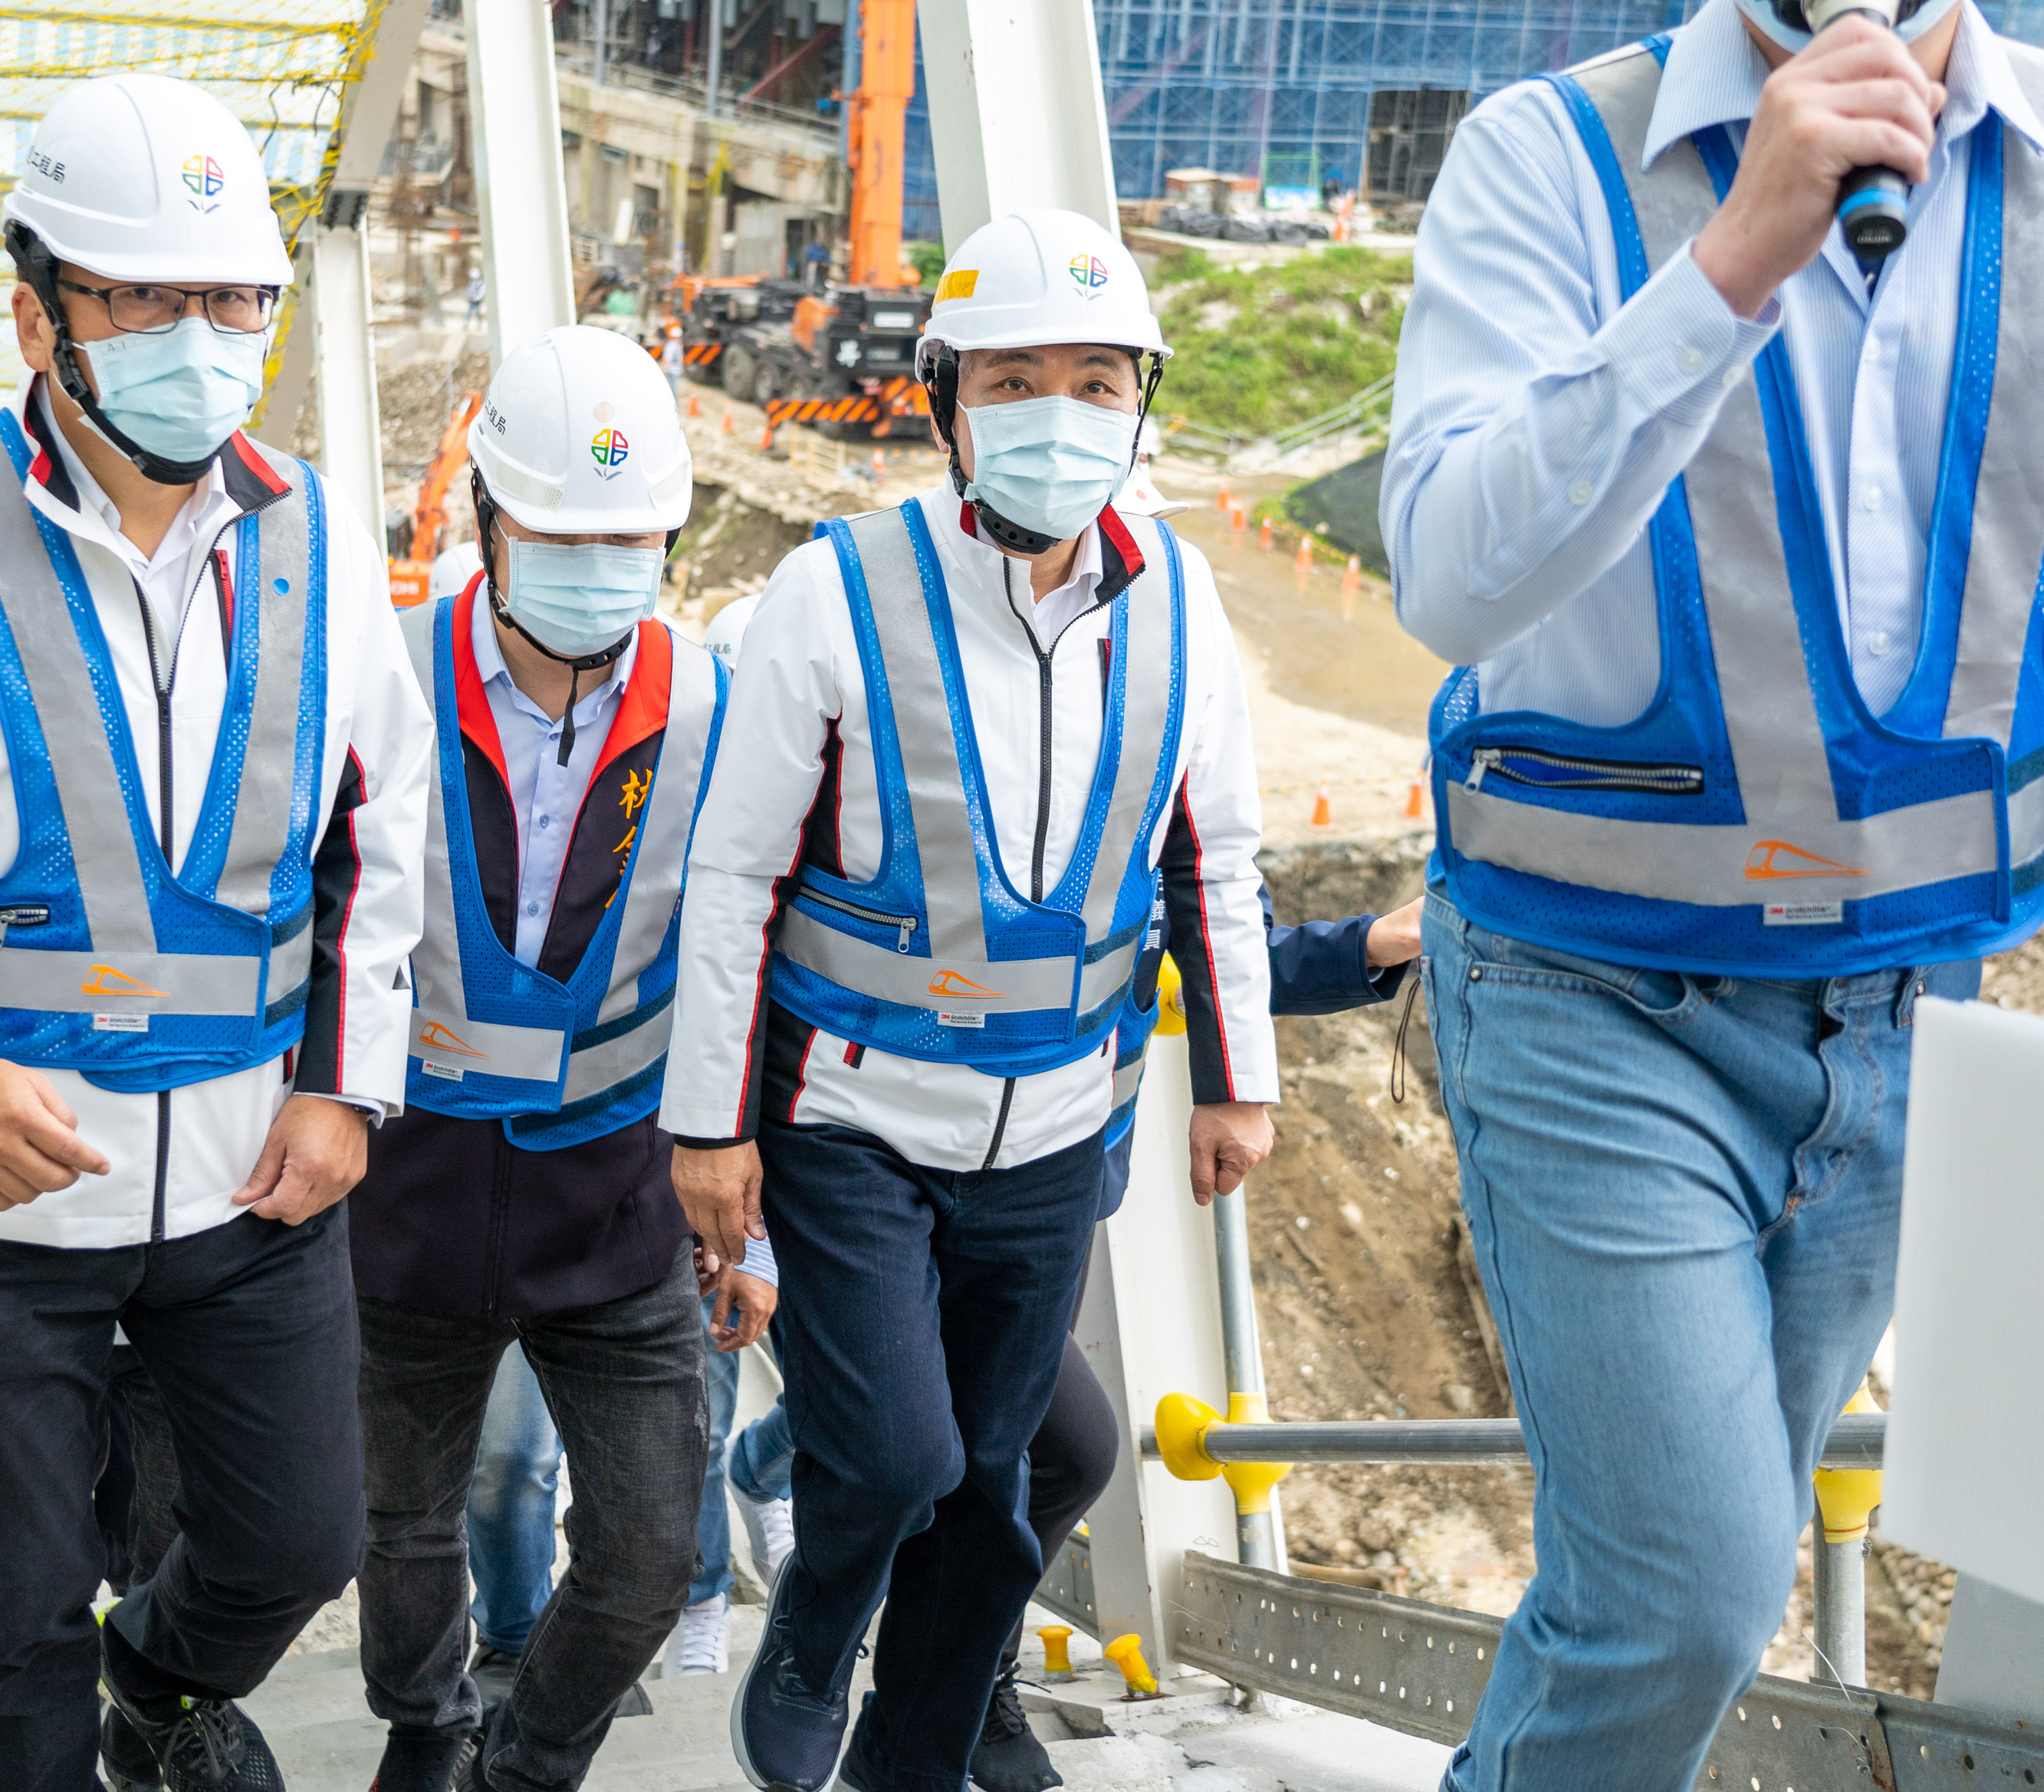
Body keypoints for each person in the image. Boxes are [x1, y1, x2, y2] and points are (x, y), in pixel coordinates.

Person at [1378, 0, 2044, 1784]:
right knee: (1685, 1583)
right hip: (1587, 988)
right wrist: (1735, 255)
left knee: (1688, 1569)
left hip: (1901, 1018)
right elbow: (1447, 569)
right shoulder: (1551, 159)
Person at [0, 71, 428, 1792]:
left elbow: (379, 833)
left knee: (296, 1539)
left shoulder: (317, 538)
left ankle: (165, 1693)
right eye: (148, 298)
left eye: (233, 300)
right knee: (9, 1602)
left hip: (249, 1169)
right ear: (38, 310)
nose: (201, 337)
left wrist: (346, 1087)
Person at [668, 207, 1281, 1792]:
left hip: (1055, 1121)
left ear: (1138, 398)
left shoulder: (1184, 607)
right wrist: (707, 1133)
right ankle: (814, 1621)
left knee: (996, 1480)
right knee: (892, 1458)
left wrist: (1237, 1078)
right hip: (849, 1113)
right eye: (1014, 377)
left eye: (1095, 376)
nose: (1058, 413)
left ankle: (913, 1753)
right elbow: (732, 877)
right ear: (942, 400)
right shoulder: (834, 594)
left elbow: (1211, 852)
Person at [716, 888, 1428, 1792]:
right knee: (918, 1450)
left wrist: (1370, 942)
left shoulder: (1170, 765)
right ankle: (835, 1629)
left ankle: (958, 1684)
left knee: (1061, 1453)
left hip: (1050, 1171)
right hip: (884, 1156)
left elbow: (1211, 942)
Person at [349, 325, 764, 1792]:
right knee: (399, 1525)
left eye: (631, 536)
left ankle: (527, 1764)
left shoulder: (718, 707)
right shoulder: (381, 678)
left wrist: (747, 1215)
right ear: (489, 522)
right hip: (407, 1181)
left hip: (619, 1197)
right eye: (562, 533)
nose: (599, 563)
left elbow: (742, 975)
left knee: (653, 1544)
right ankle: (426, 1726)